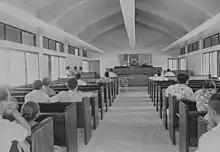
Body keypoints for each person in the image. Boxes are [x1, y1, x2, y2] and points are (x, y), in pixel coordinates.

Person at [0, 87, 31, 152]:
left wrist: (19, 139)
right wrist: (14, 111)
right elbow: (28, 130)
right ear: (2, 103)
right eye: (9, 99)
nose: (10, 102)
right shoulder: (8, 127)